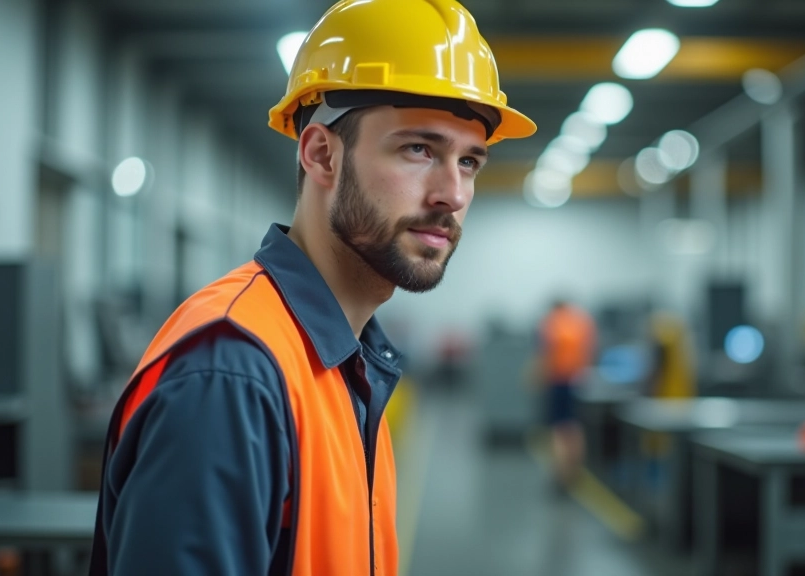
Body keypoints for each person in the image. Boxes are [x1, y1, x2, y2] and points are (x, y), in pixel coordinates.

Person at [87, 1, 537, 574]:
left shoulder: (352, 364)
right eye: (419, 149)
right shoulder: (233, 375)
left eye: (469, 161)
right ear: (322, 154)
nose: (452, 192)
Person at [538, 299, 597, 487]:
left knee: (558, 430)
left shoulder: (552, 323)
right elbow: (591, 352)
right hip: (578, 380)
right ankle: (575, 473)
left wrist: (539, 378)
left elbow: (547, 355)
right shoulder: (581, 322)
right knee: (574, 427)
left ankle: (560, 476)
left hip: (558, 380)